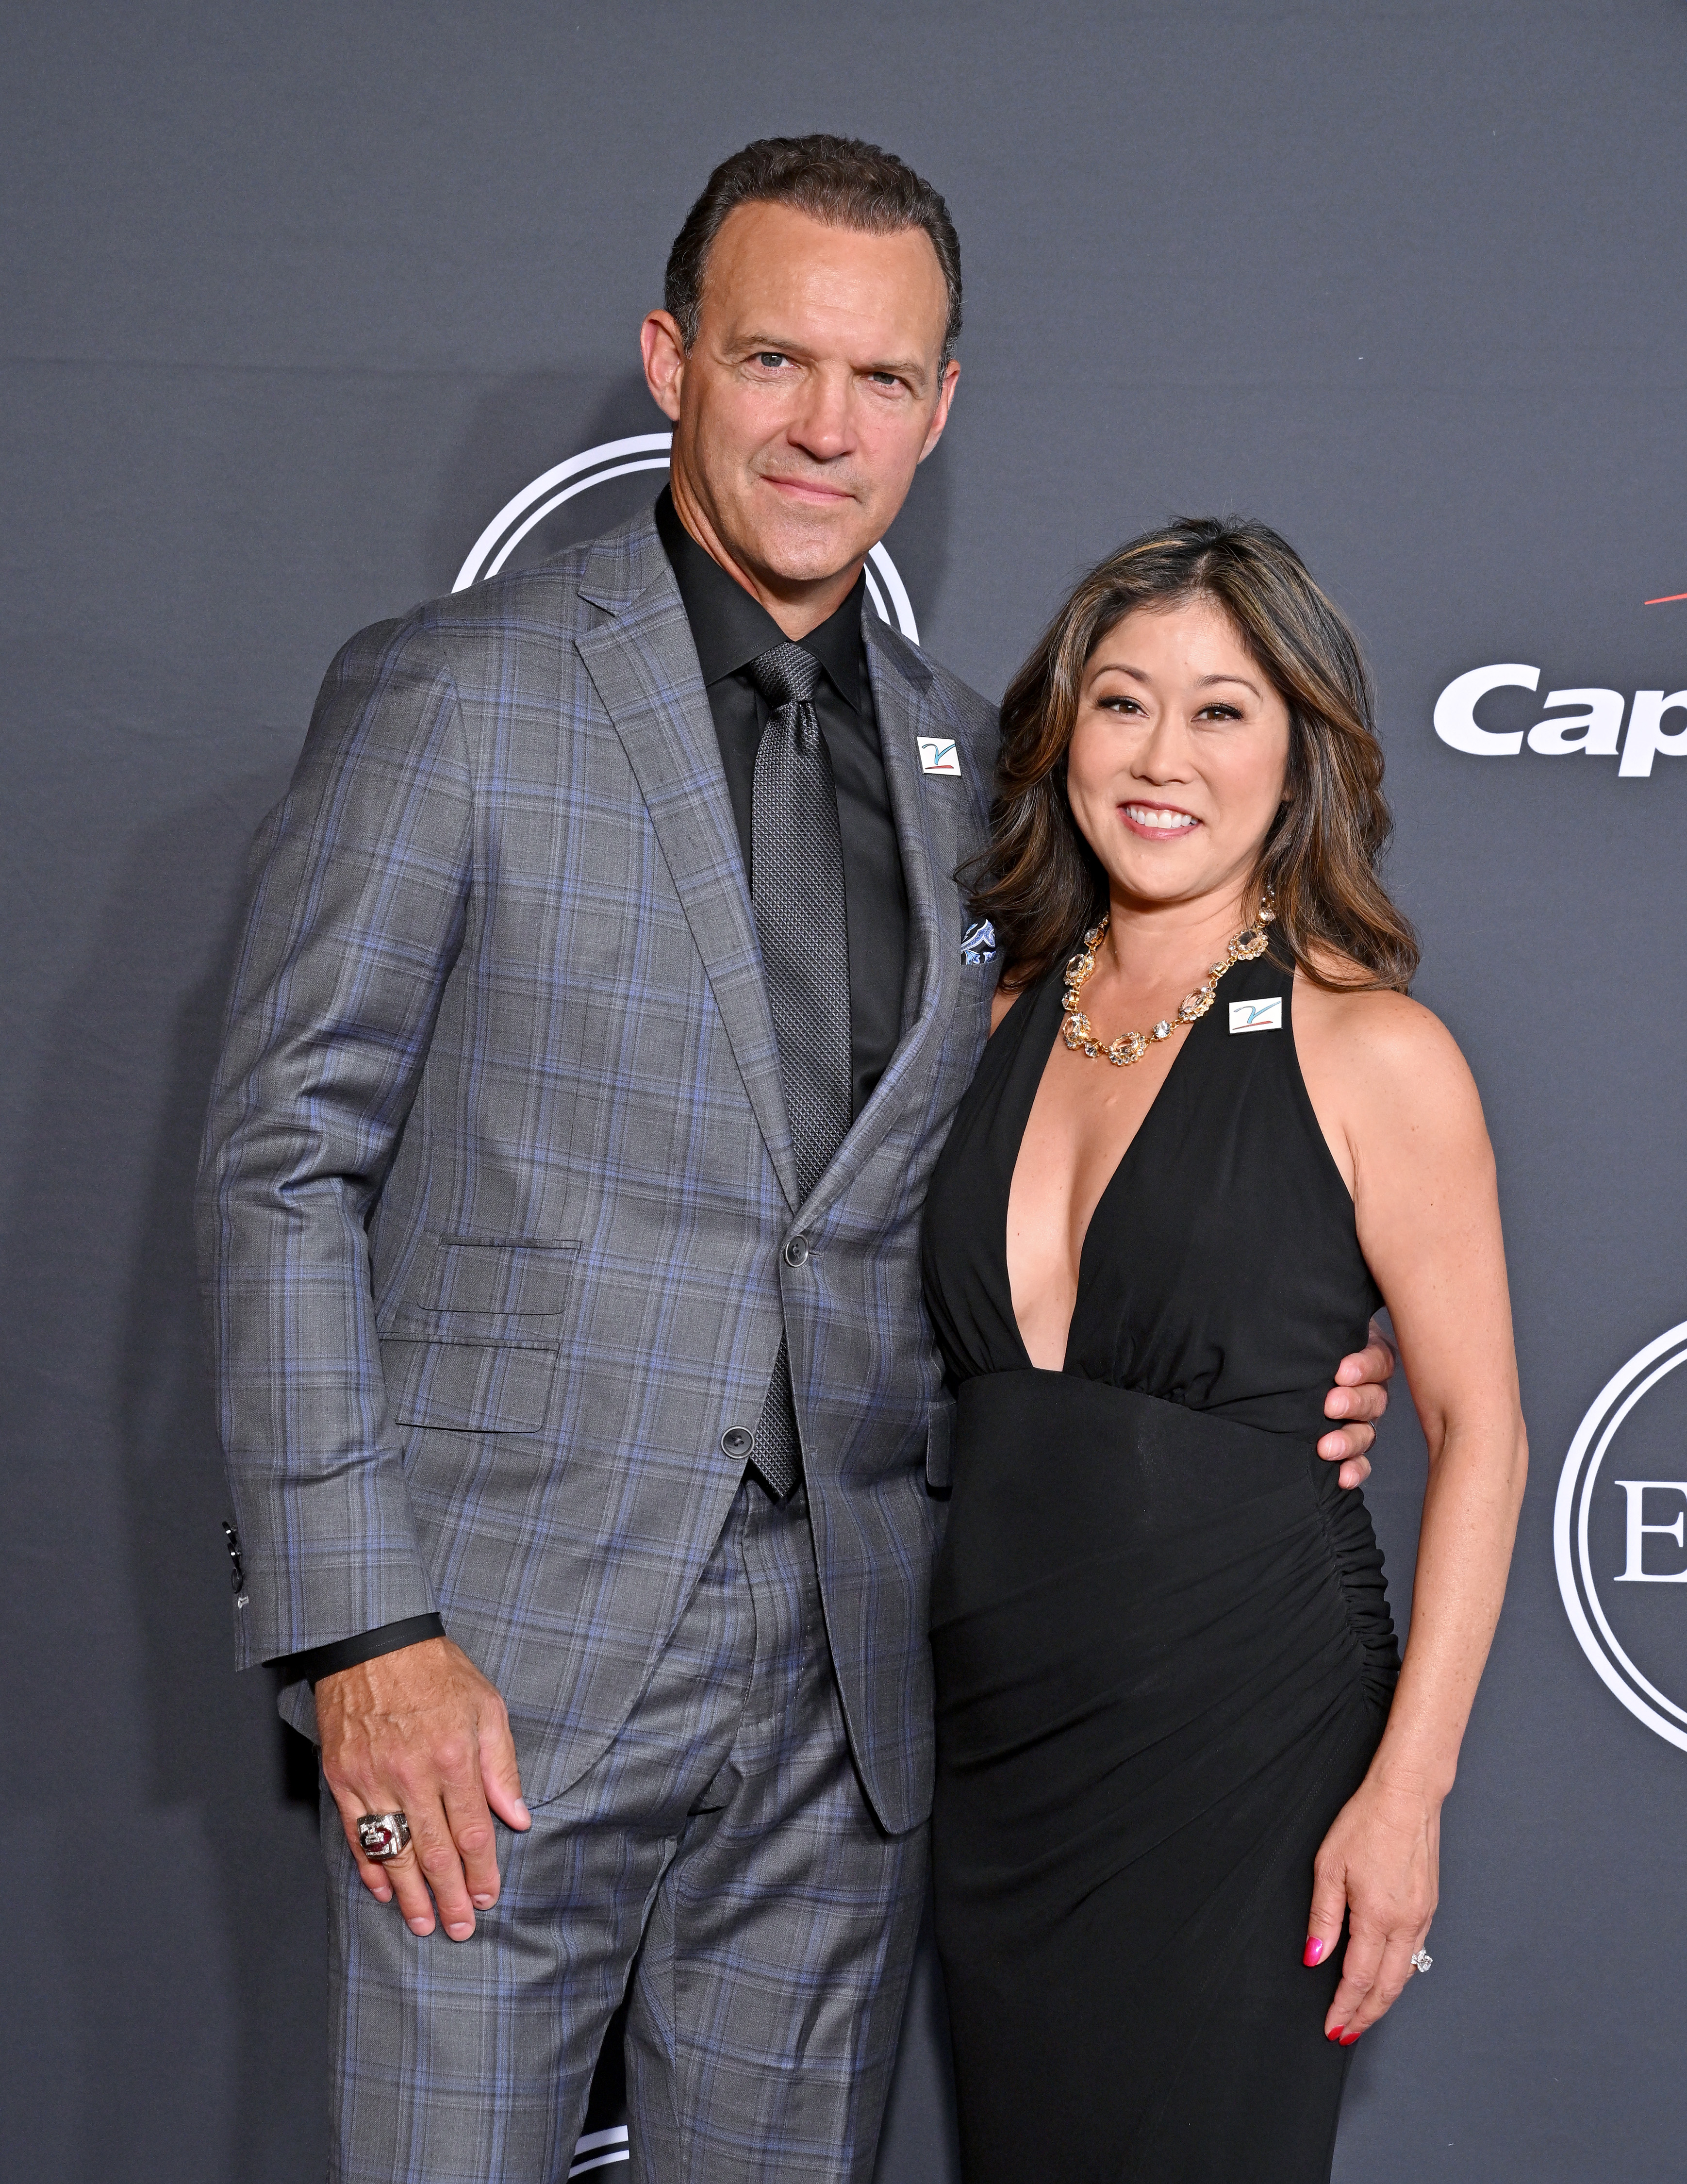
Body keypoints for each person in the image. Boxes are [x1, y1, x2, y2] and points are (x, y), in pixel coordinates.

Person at [197, 137, 1395, 2184]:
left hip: (853, 1692)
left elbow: (1029, 1170)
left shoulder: (984, 785)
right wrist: (358, 1633)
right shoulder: (455, 700)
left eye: (883, 379)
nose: (823, 428)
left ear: (940, 408)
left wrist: (1268, 1374)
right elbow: (281, 1167)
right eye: (773, 361)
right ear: (672, 359)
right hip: (491, 1680)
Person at [923, 519, 1527, 2183]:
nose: (1161, 756)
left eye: (1221, 712)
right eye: (1121, 704)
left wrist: (1404, 1796)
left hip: (1245, 1745)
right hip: (987, 1750)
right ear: (1060, 737)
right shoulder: (984, 1029)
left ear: (1299, 754)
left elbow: (1479, 1430)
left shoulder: (1374, 1050)